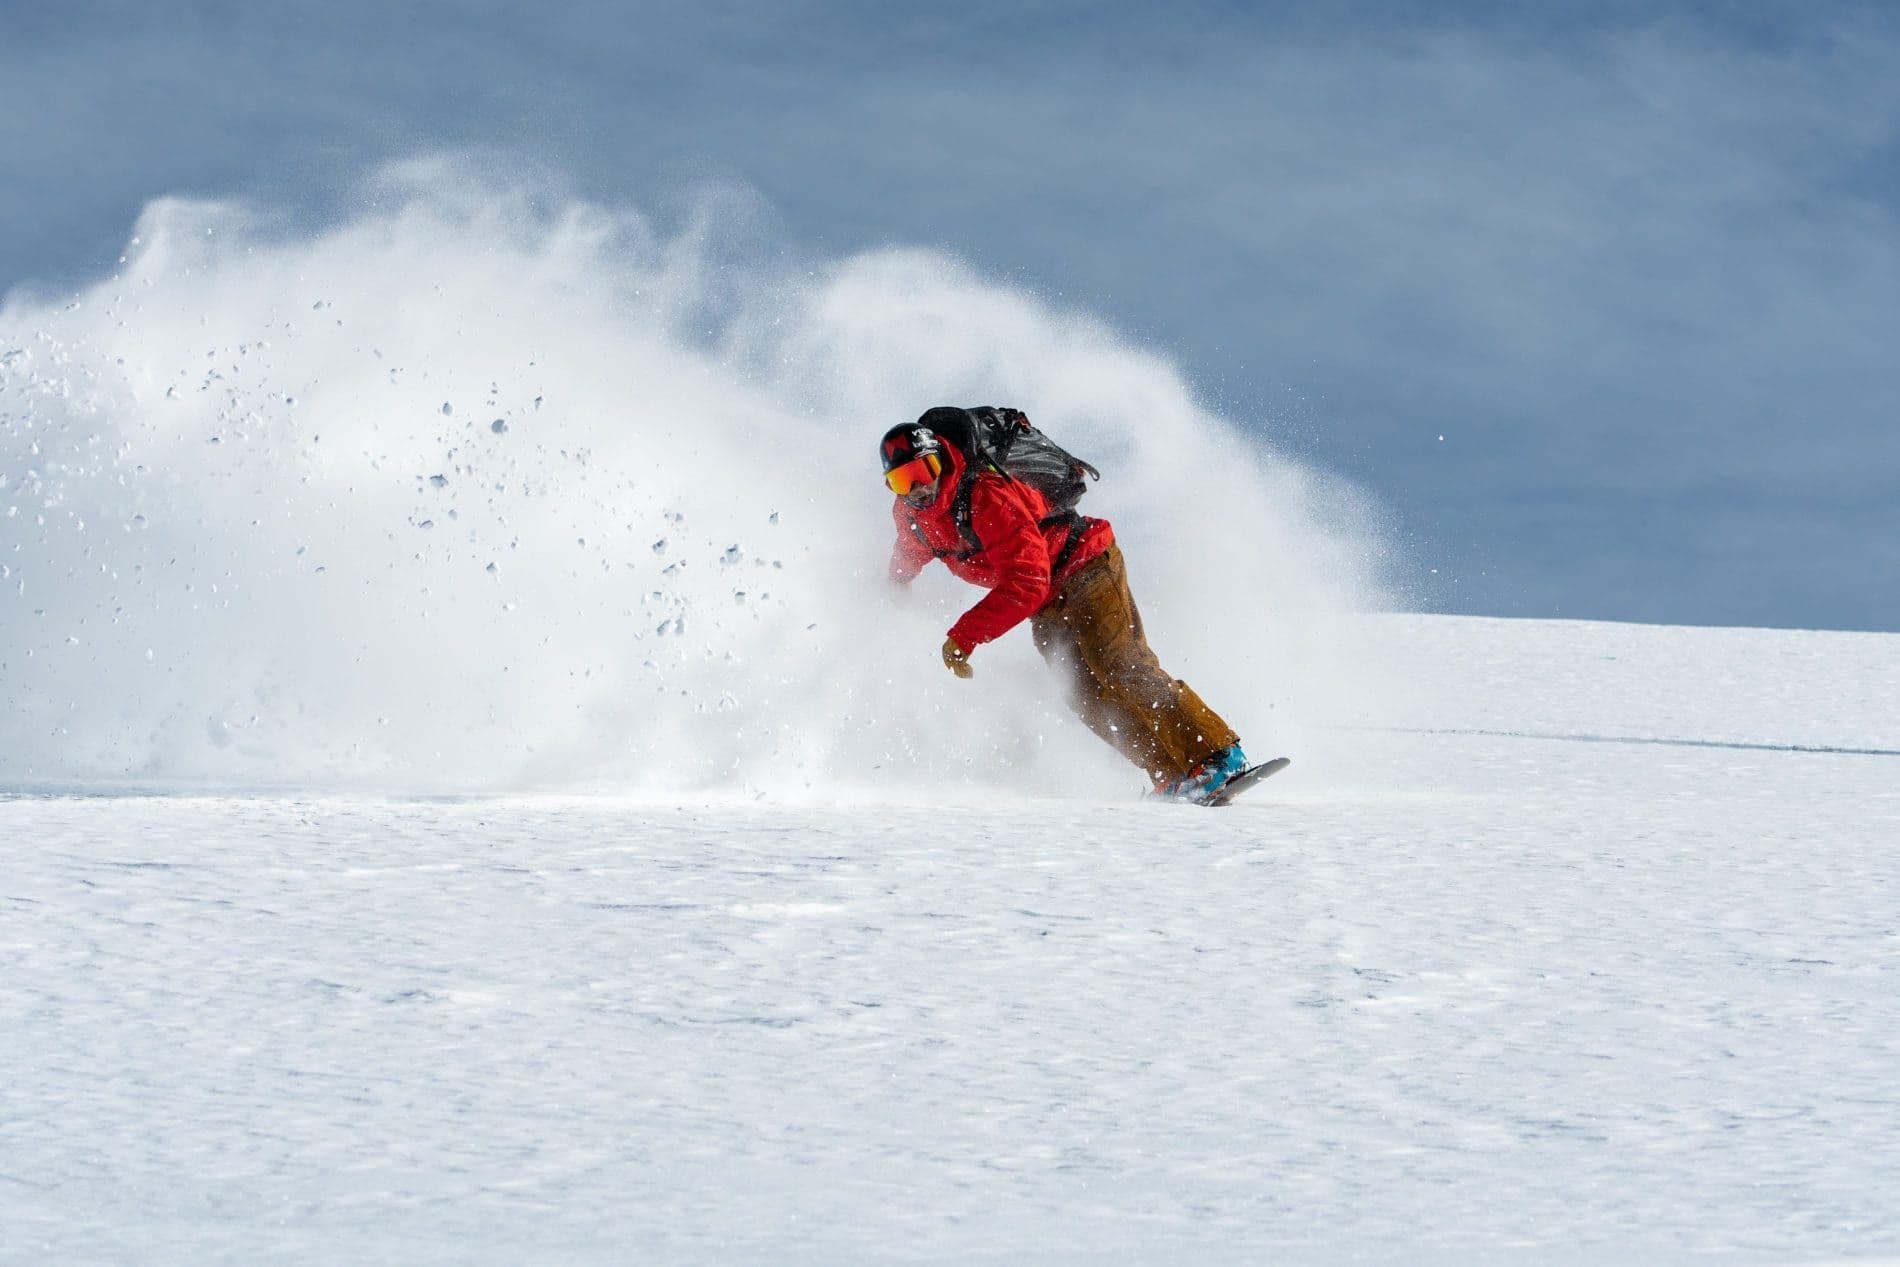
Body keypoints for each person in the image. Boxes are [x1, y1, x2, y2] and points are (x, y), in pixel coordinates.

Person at [881, 406, 1248, 803]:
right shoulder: (914, 518)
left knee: (1118, 664)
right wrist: (893, 585)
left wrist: (965, 636)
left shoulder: (986, 494)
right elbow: (910, 551)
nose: (920, 486)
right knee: (1082, 694)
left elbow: (1027, 581)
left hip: (1084, 565)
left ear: (941, 461)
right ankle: (1174, 773)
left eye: (926, 469)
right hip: (1048, 601)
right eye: (904, 480)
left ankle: (1216, 755)